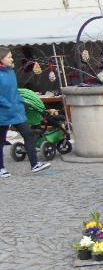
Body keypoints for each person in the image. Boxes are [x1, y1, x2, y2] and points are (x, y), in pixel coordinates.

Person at [0, 47, 51, 177]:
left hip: (16, 111)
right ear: (1, 59)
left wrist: (21, 102)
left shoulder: (11, 71)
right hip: (3, 113)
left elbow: (15, 91)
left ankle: (34, 164)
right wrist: (8, 104)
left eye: (11, 56)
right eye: (9, 57)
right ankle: (1, 169)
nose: (12, 59)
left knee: (28, 134)